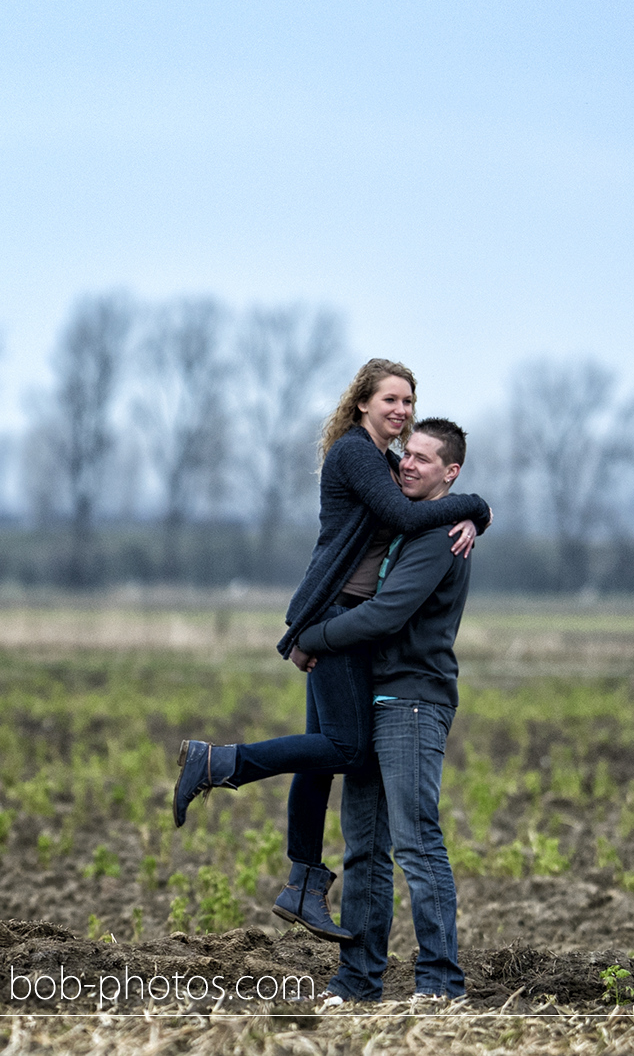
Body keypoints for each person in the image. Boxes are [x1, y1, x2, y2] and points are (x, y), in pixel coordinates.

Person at [171, 361, 491, 945]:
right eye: (390, 399)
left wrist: (473, 510)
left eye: (408, 402)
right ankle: (220, 763)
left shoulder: (388, 461)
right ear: (363, 402)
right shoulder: (355, 453)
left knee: (323, 752)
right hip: (338, 612)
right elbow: (403, 515)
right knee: (346, 746)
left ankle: (301, 882)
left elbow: (421, 491)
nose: (401, 410)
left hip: (339, 615)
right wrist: (475, 504)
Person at [293, 417, 475, 1002]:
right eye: (406, 453)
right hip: (373, 699)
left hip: (413, 703)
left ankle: (441, 985)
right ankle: (357, 980)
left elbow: (385, 615)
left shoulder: (439, 535)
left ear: (451, 473)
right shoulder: (408, 521)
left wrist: (312, 637)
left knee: (417, 843)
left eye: (424, 458)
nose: (408, 464)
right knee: (364, 847)